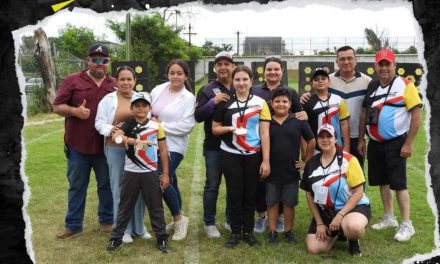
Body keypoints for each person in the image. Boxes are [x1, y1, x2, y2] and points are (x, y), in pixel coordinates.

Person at [357, 48, 422, 241]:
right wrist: (361, 139)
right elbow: (363, 114)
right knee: (382, 182)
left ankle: (407, 224)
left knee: (399, 184)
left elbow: (416, 114)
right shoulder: (373, 86)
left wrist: (408, 143)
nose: (384, 67)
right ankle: (389, 217)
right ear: (375, 66)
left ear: (395, 65)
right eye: (381, 64)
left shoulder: (405, 85)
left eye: (388, 64)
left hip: (396, 143)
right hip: (375, 144)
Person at [53, 43, 114, 239]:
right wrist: (74, 111)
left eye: (104, 60)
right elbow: (57, 106)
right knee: (77, 185)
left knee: (106, 184)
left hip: (105, 145)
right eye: (95, 60)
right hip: (77, 144)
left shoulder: (113, 84)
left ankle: (106, 221)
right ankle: (73, 224)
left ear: (108, 63)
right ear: (88, 61)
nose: (100, 64)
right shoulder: (72, 80)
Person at [212, 65, 271, 248]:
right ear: (232, 81)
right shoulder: (224, 103)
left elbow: (265, 133)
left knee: (250, 194)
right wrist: (231, 129)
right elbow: (215, 129)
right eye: (237, 79)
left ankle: (249, 231)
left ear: (251, 81)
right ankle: (236, 232)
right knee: (235, 193)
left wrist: (266, 160)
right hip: (230, 154)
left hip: (253, 154)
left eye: (245, 79)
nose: (241, 83)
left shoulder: (261, 103)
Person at [106, 92, 170, 253]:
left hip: (150, 172)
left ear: (149, 108)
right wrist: (135, 141)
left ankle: (162, 238)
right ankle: (116, 238)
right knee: (125, 206)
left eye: (144, 105)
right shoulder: (127, 124)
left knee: (155, 207)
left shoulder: (157, 126)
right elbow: (116, 138)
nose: (141, 109)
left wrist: (166, 174)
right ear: (132, 108)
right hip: (131, 173)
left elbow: (163, 150)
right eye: (137, 106)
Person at [252, 56, 308, 234]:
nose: (272, 72)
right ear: (264, 71)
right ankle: (260, 216)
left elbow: (300, 117)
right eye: (269, 69)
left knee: (283, 183)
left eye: (276, 69)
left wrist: (304, 156)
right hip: (259, 145)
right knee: (262, 183)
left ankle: (281, 217)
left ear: (282, 71)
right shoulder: (255, 91)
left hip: (284, 149)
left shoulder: (291, 92)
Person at [95, 66, 150, 243]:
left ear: (135, 81)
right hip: (116, 149)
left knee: (139, 189)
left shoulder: (144, 97)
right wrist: (113, 129)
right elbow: (99, 123)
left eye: (129, 79)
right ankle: (123, 229)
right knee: (119, 189)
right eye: (122, 79)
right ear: (116, 81)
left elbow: (150, 119)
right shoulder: (108, 99)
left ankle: (139, 228)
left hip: (138, 149)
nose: (126, 82)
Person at [301, 124, 371, 256]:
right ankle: (338, 233)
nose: (325, 140)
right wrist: (320, 223)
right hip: (326, 211)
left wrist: (340, 216)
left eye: (329, 136)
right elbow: (309, 195)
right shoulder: (311, 163)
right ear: (317, 140)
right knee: (314, 248)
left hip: (352, 207)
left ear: (335, 139)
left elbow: (358, 193)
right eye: (321, 137)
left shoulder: (349, 160)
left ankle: (352, 239)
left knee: (353, 227)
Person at [301, 46, 371, 168]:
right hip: (328, 137)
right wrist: (305, 97)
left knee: (354, 175)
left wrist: (361, 139)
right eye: (342, 59)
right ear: (337, 62)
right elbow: (319, 95)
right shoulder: (330, 79)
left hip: (355, 137)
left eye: (349, 58)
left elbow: (368, 110)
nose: (346, 62)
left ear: (356, 59)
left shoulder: (367, 81)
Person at [150, 59, 196, 241]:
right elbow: (147, 111)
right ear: (167, 74)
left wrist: (160, 125)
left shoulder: (189, 98)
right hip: (153, 143)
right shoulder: (158, 90)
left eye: (179, 73)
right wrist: (150, 121)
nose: (175, 77)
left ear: (185, 76)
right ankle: (179, 218)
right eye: (172, 73)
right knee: (172, 181)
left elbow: (186, 126)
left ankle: (178, 218)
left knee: (161, 178)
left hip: (174, 146)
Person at [266, 88, 315, 244]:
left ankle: (288, 231)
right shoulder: (266, 122)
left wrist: (306, 161)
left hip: (290, 172)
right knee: (272, 202)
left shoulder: (298, 121)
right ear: (271, 104)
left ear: (290, 104)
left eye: (285, 101)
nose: (281, 104)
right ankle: (272, 231)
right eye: (277, 101)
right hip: (272, 171)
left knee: (289, 203)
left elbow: (312, 140)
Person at [195, 51, 234, 238]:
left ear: (233, 66)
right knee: (212, 184)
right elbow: (198, 116)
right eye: (219, 64)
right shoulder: (207, 90)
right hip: (214, 146)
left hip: (236, 145)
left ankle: (230, 219)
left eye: (227, 63)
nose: (223, 67)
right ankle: (209, 223)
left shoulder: (241, 86)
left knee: (234, 184)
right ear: (215, 68)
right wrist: (213, 102)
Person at [302, 68, 350, 152]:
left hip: (336, 146)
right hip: (315, 148)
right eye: (316, 79)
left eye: (323, 78)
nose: (320, 81)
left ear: (329, 81)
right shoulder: (307, 101)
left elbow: (344, 125)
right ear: (312, 84)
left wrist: (346, 148)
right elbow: (303, 128)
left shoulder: (338, 100)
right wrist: (305, 152)